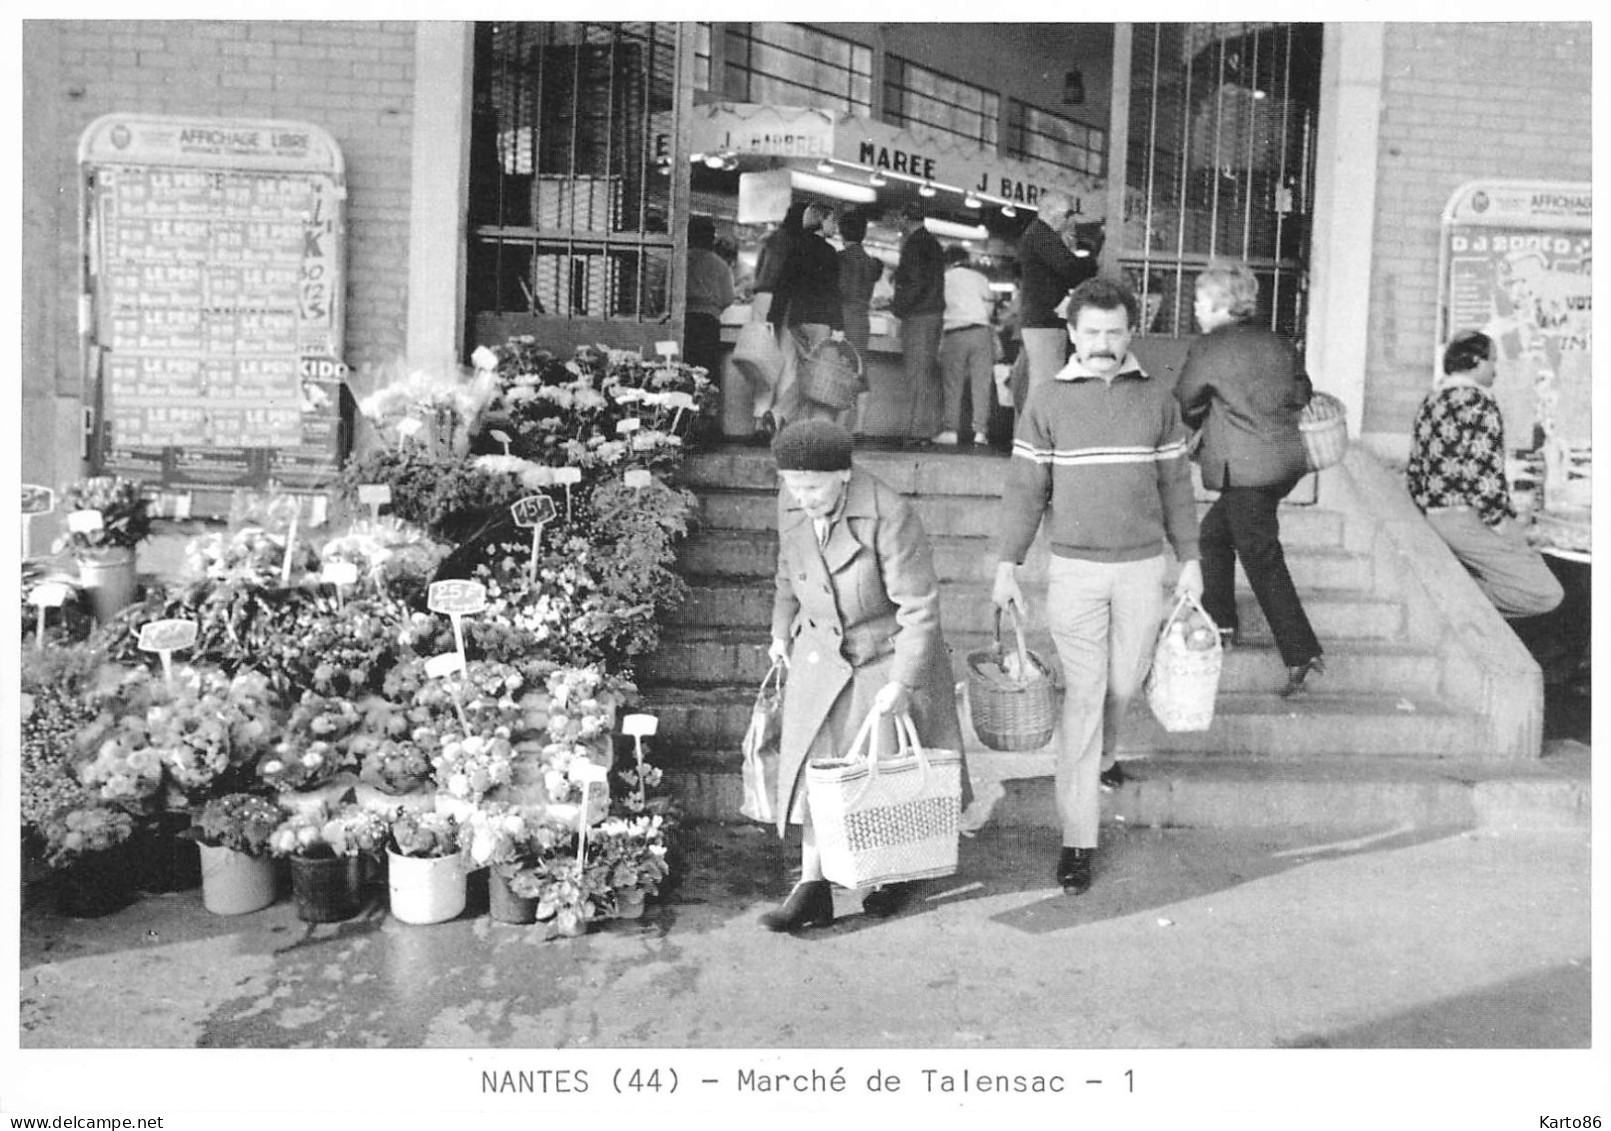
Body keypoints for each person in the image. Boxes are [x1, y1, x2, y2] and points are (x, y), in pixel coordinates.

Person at [992, 277, 1201, 897]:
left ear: (1129, 333)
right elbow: (1025, 490)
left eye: (1114, 332)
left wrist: (1189, 558)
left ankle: (1106, 756)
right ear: (1073, 334)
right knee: (1083, 695)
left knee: (1122, 682)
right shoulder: (1047, 401)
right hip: (1074, 572)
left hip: (1141, 567)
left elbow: (1176, 489)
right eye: (1092, 333)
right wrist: (1008, 562)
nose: (1103, 344)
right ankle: (1077, 840)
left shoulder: (1157, 402)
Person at [762, 418, 968, 931]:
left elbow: (919, 608)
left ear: (844, 475)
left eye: (813, 486)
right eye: (793, 484)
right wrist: (780, 633)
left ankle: (895, 874)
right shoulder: (792, 503)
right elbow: (788, 575)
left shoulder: (889, 514)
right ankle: (812, 885)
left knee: (882, 773)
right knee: (818, 766)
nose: (802, 496)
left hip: (884, 652)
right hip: (821, 650)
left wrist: (902, 682)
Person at [1174, 260, 1325, 697]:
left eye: (1201, 301)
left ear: (1222, 303)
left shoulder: (1209, 348)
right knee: (1214, 536)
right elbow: (1303, 392)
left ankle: (1300, 651)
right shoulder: (1279, 342)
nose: (1196, 310)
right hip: (1283, 465)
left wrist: (1211, 414)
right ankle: (1221, 621)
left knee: (1260, 556)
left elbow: (1186, 400)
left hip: (1244, 469)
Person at [1406, 329, 1563, 619]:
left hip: (1436, 514)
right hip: (1469, 517)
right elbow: (1483, 472)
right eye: (1493, 361)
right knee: (1544, 593)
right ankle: (1447, 599)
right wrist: (1499, 522)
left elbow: (1415, 469)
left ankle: (1454, 598)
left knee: (1525, 560)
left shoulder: (1432, 401)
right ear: (1476, 361)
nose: (1496, 370)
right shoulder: (1478, 401)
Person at [764, 200, 846, 432]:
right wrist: (838, 325)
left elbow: (783, 286)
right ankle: (798, 421)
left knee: (808, 373)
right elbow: (833, 291)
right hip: (820, 320)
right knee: (818, 376)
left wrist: (774, 318)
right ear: (821, 221)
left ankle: (782, 417)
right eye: (832, 220)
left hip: (796, 321)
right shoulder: (829, 253)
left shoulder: (795, 248)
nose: (835, 225)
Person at [1015, 190, 1098, 403]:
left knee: (1042, 382)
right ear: (1054, 212)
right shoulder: (1042, 236)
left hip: (1041, 319)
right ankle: (1036, 434)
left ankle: (1032, 433)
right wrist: (1093, 260)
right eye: (1068, 214)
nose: (1069, 219)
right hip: (1045, 321)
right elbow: (1069, 269)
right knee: (1046, 384)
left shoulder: (1039, 235)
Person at [888, 201, 946, 446]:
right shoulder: (931, 242)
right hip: (931, 314)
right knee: (925, 374)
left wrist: (897, 308)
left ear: (905, 217)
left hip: (919, 316)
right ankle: (925, 429)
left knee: (917, 374)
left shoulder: (914, 244)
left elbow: (914, 282)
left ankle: (918, 433)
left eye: (898, 217)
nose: (896, 222)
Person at [936, 244, 996, 447]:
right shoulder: (980, 278)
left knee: (953, 384)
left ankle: (951, 431)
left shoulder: (945, 278)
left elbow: (939, 306)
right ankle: (980, 433)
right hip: (981, 332)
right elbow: (989, 304)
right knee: (982, 384)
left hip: (956, 332)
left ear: (947, 261)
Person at [683, 215, 734, 382]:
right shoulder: (720, 265)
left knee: (684, 368)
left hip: (683, 321)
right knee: (707, 371)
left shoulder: (680, 260)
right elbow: (728, 298)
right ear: (711, 239)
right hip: (708, 323)